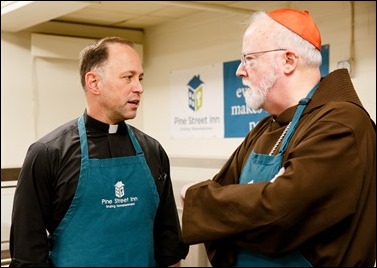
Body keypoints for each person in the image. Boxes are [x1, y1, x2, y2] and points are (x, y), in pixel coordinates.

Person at [180, 8, 376, 267]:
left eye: (249, 58)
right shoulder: (264, 129)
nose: (240, 70)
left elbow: (281, 215)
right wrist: (254, 200)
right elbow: (222, 208)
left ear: (288, 61)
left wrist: (206, 199)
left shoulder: (341, 124)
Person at [9, 36, 189, 267]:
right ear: (94, 82)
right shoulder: (48, 154)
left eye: (140, 78)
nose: (139, 88)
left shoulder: (153, 151)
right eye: (128, 77)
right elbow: (27, 255)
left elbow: (168, 246)